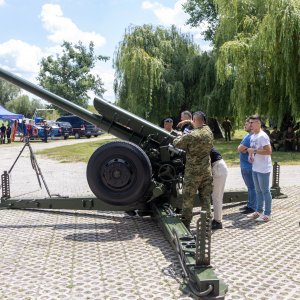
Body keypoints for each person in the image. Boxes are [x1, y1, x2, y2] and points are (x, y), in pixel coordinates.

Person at [173, 111, 213, 229]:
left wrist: (181, 134)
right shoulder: (209, 131)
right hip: (206, 171)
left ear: (195, 121)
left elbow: (177, 143)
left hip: (193, 173)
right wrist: (189, 121)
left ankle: (186, 222)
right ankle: (206, 224)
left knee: (188, 198)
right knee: (205, 198)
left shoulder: (192, 135)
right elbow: (200, 124)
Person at [246, 115, 273, 222]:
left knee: (265, 191)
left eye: (252, 123)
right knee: (258, 191)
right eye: (249, 123)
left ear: (258, 123)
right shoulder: (253, 136)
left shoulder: (263, 136)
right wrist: (250, 156)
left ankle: (267, 213)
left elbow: (269, 151)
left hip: (263, 168)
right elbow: (253, 150)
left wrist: (255, 151)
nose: (250, 125)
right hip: (255, 167)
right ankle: (258, 211)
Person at [237, 118, 257, 214]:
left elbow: (240, 148)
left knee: (252, 187)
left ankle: (252, 206)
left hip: (248, 166)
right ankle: (250, 204)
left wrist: (243, 149)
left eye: (247, 123)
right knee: (251, 187)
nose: (245, 125)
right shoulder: (248, 136)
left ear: (252, 125)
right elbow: (241, 148)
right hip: (246, 165)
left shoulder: (249, 137)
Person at [210, 147, 228, 230]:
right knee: (217, 196)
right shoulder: (205, 142)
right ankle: (217, 219)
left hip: (218, 167)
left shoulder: (201, 144)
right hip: (219, 166)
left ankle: (218, 221)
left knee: (216, 197)